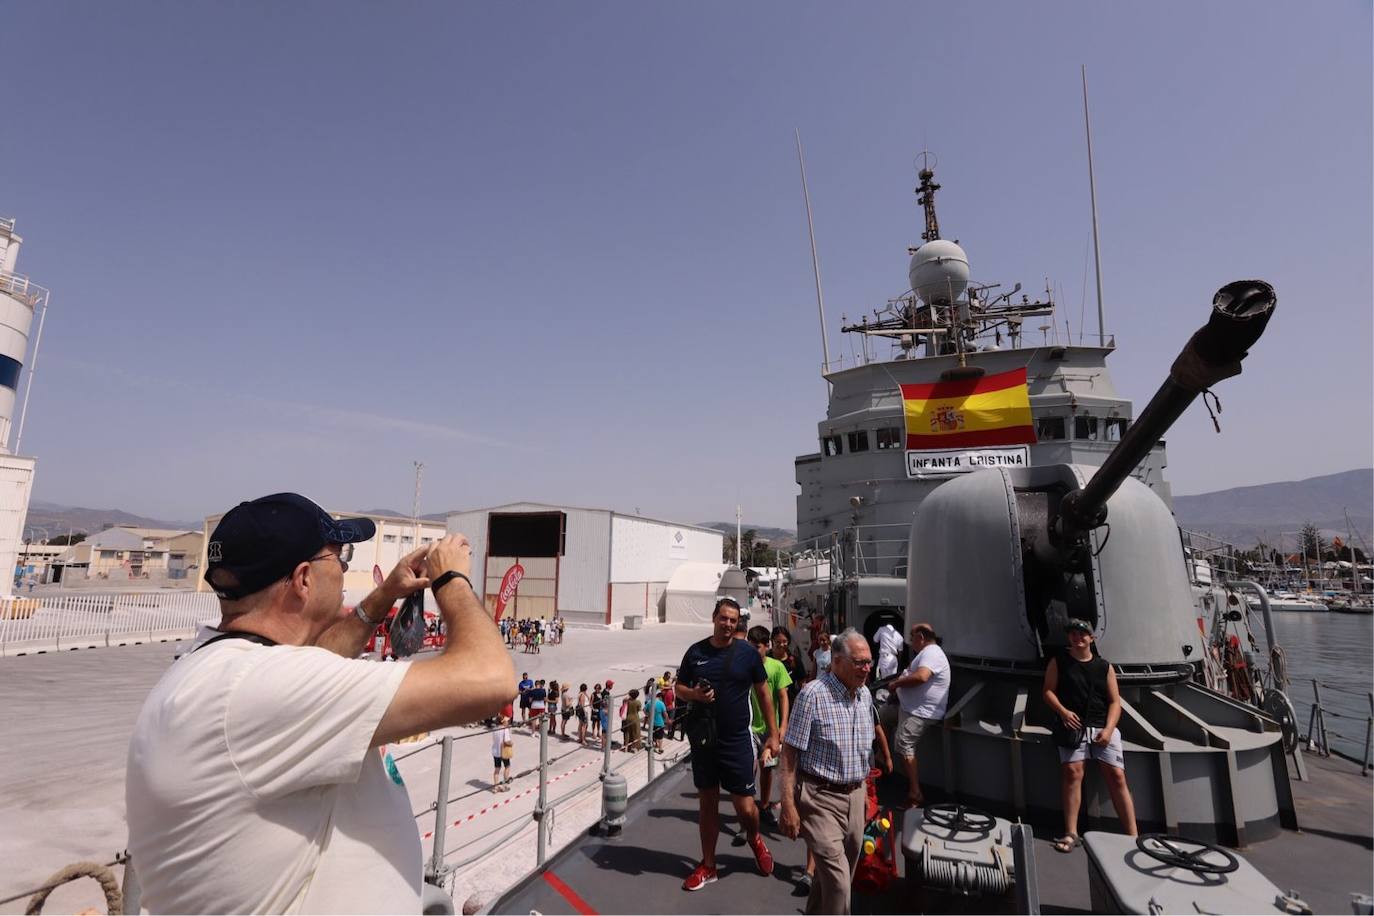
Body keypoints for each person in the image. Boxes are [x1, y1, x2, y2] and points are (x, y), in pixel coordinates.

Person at [125, 492, 514, 913]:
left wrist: (384, 594)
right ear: (304, 578)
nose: (345, 570)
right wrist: (451, 580)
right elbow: (488, 679)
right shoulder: (255, 688)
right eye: (339, 558)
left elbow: (316, 663)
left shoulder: (223, 668)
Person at [675, 598, 780, 892]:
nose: (728, 624)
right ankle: (709, 866)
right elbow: (679, 689)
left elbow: (764, 694)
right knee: (707, 802)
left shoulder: (747, 653)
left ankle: (754, 838)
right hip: (706, 740)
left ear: (737, 624)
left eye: (733, 620)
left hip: (736, 741)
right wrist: (695, 695)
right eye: (723, 618)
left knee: (746, 808)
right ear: (714, 618)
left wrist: (773, 734)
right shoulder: (695, 652)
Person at [779, 629, 876, 916]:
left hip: (855, 796)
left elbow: (863, 749)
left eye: (868, 661)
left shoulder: (865, 695)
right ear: (836, 661)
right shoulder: (812, 695)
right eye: (859, 662)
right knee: (839, 884)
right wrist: (787, 805)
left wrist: (866, 792)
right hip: (820, 798)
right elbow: (789, 753)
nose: (867, 668)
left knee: (829, 880)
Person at [1042, 618, 1137, 852]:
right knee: (1073, 774)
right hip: (1073, 727)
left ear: (1091, 638)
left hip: (1102, 726)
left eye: (1082, 634)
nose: (1077, 637)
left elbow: (1115, 701)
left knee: (1117, 777)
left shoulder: (1104, 667)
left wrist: (1108, 729)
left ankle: (1134, 837)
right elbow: (1047, 691)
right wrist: (1063, 713)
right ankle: (1071, 832)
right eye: (1073, 634)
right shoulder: (1059, 662)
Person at [887, 622, 949, 808]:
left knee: (904, 743)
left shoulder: (931, 652)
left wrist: (897, 685)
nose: (910, 642)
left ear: (921, 637)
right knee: (880, 715)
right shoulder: (926, 653)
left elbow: (922, 677)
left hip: (921, 712)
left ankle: (915, 794)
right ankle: (882, 760)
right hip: (908, 706)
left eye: (912, 637)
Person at [748, 624, 792, 824]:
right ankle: (747, 814)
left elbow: (783, 697)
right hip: (748, 729)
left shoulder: (776, 667)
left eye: (757, 646)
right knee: (749, 771)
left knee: (766, 770)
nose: (753, 651)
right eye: (750, 646)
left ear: (767, 646)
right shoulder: (744, 666)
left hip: (769, 730)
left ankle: (764, 806)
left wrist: (782, 727)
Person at [771, 626, 807, 704]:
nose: (781, 645)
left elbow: (802, 684)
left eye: (784, 641)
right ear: (772, 641)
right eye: (778, 642)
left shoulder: (795, 661)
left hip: (790, 704)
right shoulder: (767, 659)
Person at [491, 715, 513, 792]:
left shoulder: (494, 729)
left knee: (497, 769)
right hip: (503, 752)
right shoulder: (505, 729)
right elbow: (506, 741)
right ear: (502, 722)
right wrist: (511, 743)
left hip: (495, 751)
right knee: (507, 766)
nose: (508, 722)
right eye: (506, 721)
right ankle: (505, 784)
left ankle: (496, 786)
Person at [625, 688, 643, 752]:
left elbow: (625, 700)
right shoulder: (638, 702)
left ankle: (628, 747)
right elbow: (639, 709)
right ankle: (636, 747)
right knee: (636, 733)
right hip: (635, 718)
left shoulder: (628, 701)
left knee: (628, 733)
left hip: (628, 717)